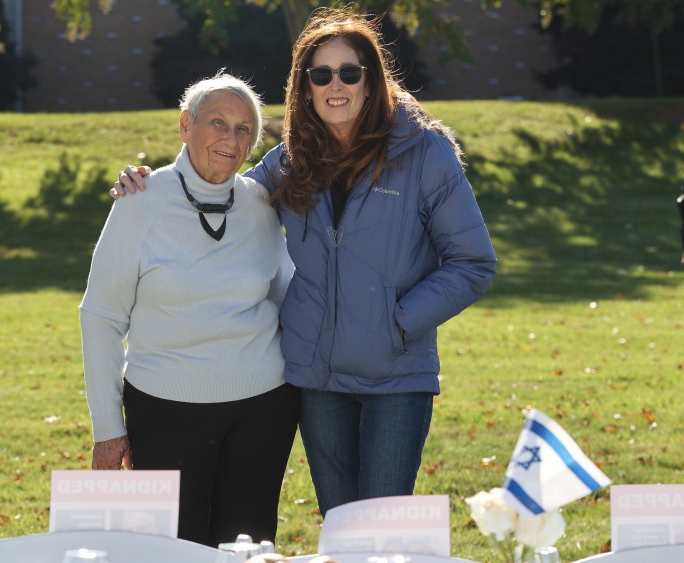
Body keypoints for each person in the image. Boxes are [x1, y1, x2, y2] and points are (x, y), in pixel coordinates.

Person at [110, 8, 497, 517]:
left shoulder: (425, 153)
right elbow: (225, 188)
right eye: (321, 74)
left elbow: (472, 262)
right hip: (317, 381)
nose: (335, 84)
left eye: (349, 72)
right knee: (339, 525)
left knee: (378, 526)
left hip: (395, 377)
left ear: (370, 80)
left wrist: (398, 322)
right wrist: (149, 184)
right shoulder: (294, 157)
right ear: (306, 86)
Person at [79, 72, 300, 547]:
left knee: (249, 545)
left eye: (245, 129)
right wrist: (107, 426)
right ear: (185, 124)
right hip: (163, 411)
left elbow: (284, 294)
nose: (231, 138)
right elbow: (100, 315)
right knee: (170, 550)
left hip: (263, 410)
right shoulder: (139, 201)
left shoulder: (263, 204)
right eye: (217, 122)